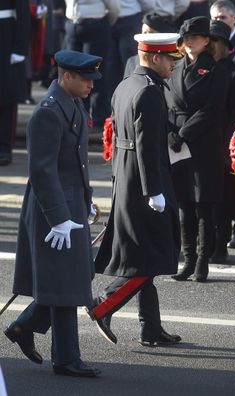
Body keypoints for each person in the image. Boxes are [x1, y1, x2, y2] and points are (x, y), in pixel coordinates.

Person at [4, 50, 102, 376]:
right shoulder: (47, 112)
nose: (91, 85)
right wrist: (59, 217)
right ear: (66, 76)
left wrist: (85, 200)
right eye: (86, 79)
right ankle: (66, 358)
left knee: (71, 280)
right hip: (53, 208)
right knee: (66, 283)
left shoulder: (71, 102)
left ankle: (27, 327)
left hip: (69, 202)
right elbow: (43, 171)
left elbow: (75, 162)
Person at [86, 33, 183, 346]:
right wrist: (154, 191)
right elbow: (146, 148)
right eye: (170, 59)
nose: (173, 65)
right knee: (149, 260)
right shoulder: (150, 92)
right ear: (154, 58)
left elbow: (119, 141)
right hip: (145, 185)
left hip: (127, 180)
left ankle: (150, 328)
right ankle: (104, 304)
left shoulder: (127, 84)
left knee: (146, 257)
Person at [166, 16, 229, 282]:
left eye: (196, 38)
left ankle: (202, 260)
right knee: (184, 203)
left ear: (206, 41)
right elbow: (167, 103)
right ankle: (188, 259)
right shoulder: (175, 68)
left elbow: (212, 109)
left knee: (204, 205)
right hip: (178, 143)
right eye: (187, 39)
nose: (190, 42)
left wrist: (183, 132)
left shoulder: (216, 70)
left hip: (202, 143)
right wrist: (170, 132)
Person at [208, 19, 235, 263]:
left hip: (228, 147)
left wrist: (230, 147)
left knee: (226, 201)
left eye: (216, 42)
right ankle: (210, 244)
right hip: (207, 146)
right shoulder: (204, 69)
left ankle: (221, 245)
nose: (211, 46)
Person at [64, 0, 120, 130]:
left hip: (95, 24)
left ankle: (99, 120)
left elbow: (113, 7)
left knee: (95, 73)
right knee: (74, 75)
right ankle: (78, 117)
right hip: (73, 25)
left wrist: (103, 23)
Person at [0, 0, 30, 166]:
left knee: (7, 96)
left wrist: (20, 49)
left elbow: (24, 15)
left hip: (6, 37)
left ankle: (4, 147)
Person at [123, 12, 176, 78]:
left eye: (151, 33)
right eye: (144, 33)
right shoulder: (131, 62)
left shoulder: (172, 62)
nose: (146, 36)